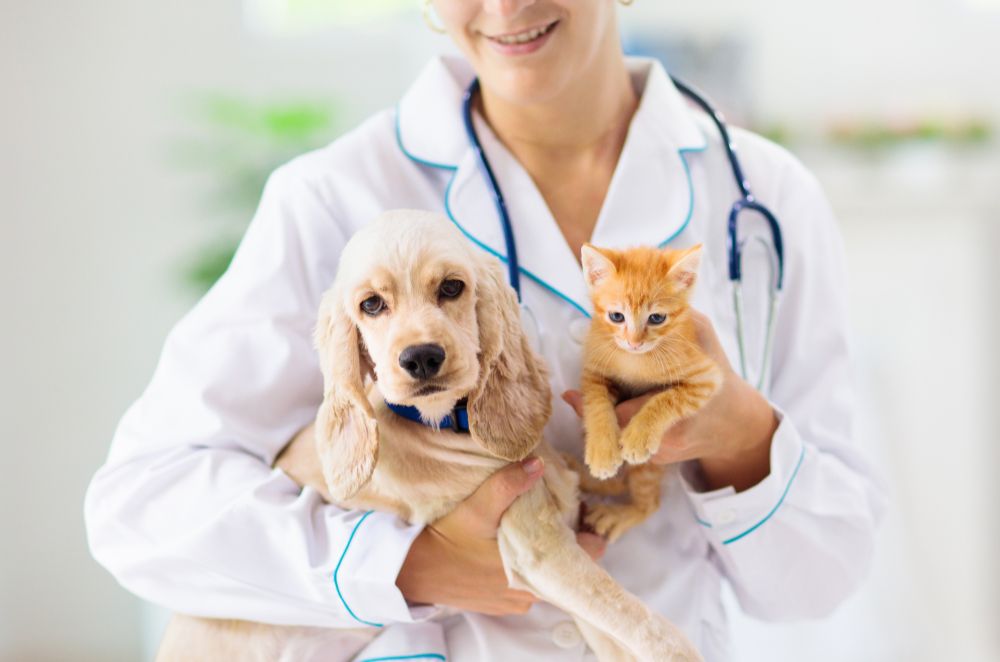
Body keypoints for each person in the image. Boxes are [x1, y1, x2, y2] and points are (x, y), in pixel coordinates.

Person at [85, 1, 887, 660]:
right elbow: (140, 509)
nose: (505, 7)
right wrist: (406, 563)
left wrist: (741, 433)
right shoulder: (332, 198)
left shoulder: (766, 197)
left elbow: (816, 582)